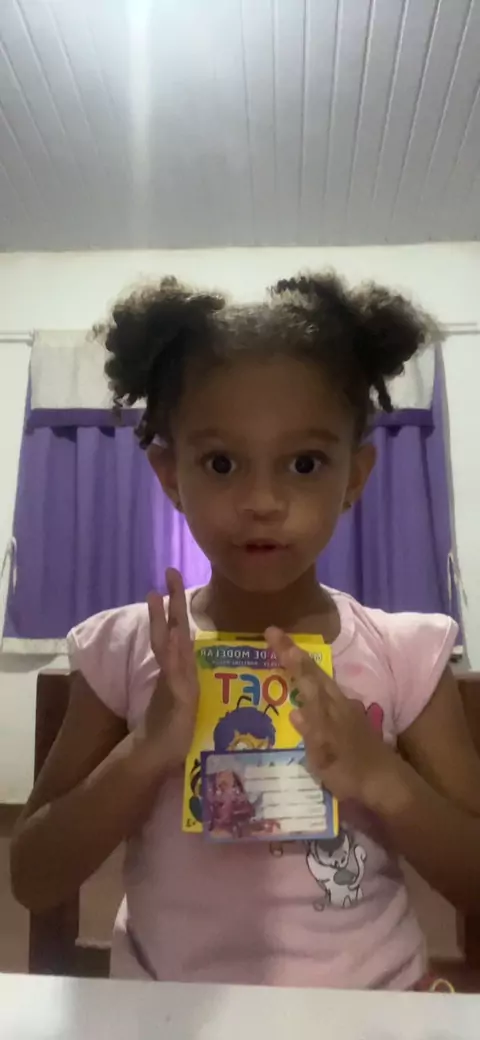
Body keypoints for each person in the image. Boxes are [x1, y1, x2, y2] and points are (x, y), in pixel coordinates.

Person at [10, 273, 480, 990]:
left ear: (355, 476)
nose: (262, 501)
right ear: (171, 475)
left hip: (368, 1011)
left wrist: (382, 776)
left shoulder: (405, 655)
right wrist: (147, 748)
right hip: (169, 1015)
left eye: (305, 463)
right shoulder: (129, 651)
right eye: (222, 463)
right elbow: (32, 877)